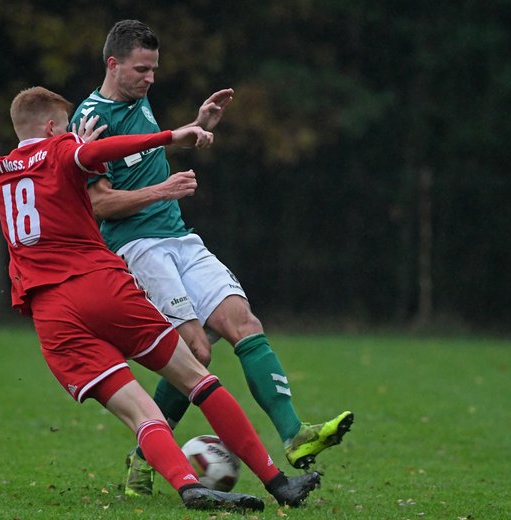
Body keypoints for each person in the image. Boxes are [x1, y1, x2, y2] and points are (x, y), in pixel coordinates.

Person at [0, 86, 323, 512]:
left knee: (141, 414)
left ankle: (188, 486)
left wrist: (76, 147)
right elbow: (99, 151)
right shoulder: (62, 149)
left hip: (51, 314)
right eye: (67, 127)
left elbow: (54, 185)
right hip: (99, 288)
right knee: (197, 378)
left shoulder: (1, 172)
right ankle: (278, 483)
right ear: (53, 127)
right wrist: (171, 136)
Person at [71, 19, 354, 497]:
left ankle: (295, 435)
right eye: (141, 70)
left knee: (244, 322)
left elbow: (147, 159)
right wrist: (164, 190)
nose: (151, 78)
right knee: (196, 352)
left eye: (154, 69)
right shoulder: (91, 121)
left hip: (180, 238)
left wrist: (198, 126)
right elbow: (98, 204)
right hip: (138, 248)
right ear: (113, 64)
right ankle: (145, 456)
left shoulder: (137, 100)